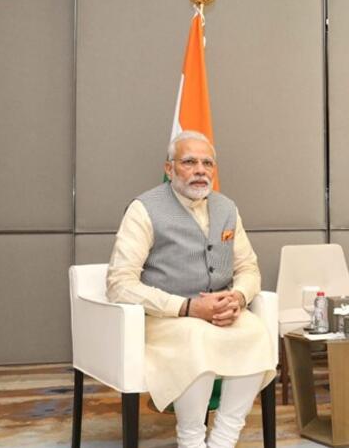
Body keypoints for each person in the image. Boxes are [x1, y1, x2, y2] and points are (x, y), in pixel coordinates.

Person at [106, 130, 274, 448]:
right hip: (164, 319)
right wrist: (187, 307)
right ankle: (192, 441)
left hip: (220, 315)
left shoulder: (227, 208)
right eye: (189, 162)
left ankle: (224, 440)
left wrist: (238, 297)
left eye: (207, 163)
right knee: (196, 338)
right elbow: (119, 283)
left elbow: (248, 268)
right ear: (169, 169)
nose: (200, 170)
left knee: (256, 332)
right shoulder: (143, 209)